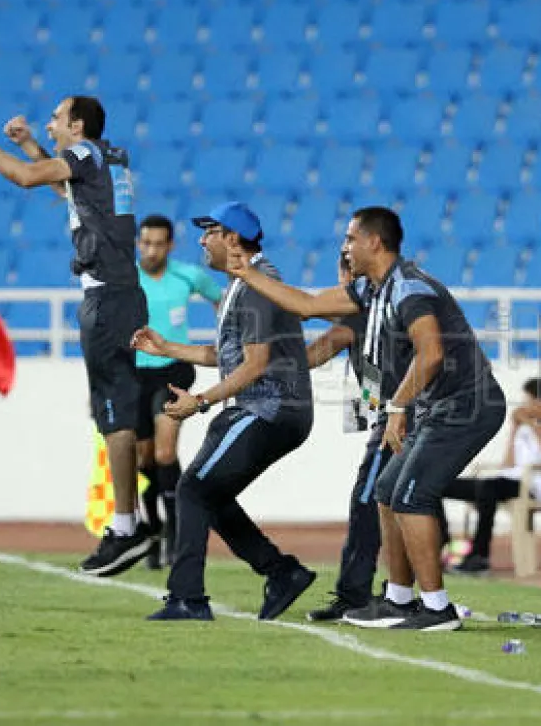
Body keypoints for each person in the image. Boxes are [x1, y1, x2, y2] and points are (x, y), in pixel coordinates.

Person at [228, 206, 506, 631]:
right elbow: (305, 304)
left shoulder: (409, 289)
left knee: (411, 496)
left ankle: (437, 610)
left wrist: (396, 408)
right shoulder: (372, 292)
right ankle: (398, 599)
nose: (344, 247)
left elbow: (431, 354)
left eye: (350, 238)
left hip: (466, 405)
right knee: (387, 489)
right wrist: (248, 274)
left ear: (374, 242)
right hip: (433, 407)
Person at [0, 99, 151, 576]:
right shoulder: (108, 158)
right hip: (118, 295)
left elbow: (30, 180)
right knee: (114, 415)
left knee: (114, 416)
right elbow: (69, 189)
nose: (49, 123)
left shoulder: (86, 156)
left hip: (108, 298)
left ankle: (126, 527)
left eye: (56, 118)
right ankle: (129, 522)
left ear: (77, 126)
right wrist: (29, 144)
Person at [129, 202, 317, 622]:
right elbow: (229, 355)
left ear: (233, 238)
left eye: (210, 230)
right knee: (207, 495)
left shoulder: (255, 286)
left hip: (269, 408)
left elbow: (255, 364)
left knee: (193, 487)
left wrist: (200, 401)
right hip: (270, 409)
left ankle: (188, 598)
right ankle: (282, 572)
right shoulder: (244, 284)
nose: (201, 239)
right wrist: (168, 348)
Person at [133, 215, 224, 569]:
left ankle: (175, 531)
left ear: (170, 245)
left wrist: (226, 339)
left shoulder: (188, 275)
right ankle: (152, 530)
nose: (151, 249)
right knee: (144, 459)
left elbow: (222, 299)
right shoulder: (128, 279)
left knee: (165, 450)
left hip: (173, 369)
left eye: (158, 243)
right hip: (135, 373)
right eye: (146, 243)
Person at [439, 377, 541, 575]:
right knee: (438, 485)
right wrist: (514, 429)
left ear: (539, 403)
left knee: (489, 489)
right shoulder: (524, 430)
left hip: (535, 488)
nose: (523, 405)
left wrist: (534, 426)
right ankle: (444, 549)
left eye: (527, 400)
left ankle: (479, 558)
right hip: (507, 482)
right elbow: (508, 464)